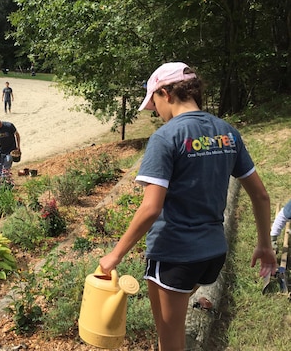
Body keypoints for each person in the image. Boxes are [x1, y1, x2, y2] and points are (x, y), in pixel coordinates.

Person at [99, 62, 277, 351]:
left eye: (154, 102)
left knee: (171, 344)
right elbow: (261, 196)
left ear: (166, 93)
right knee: (168, 334)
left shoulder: (166, 137)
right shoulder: (227, 132)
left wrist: (115, 256)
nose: (155, 112)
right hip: (212, 255)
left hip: (174, 254)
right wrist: (265, 245)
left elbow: (151, 208)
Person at [0, 117, 20, 187]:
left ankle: (6, 182)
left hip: (11, 149)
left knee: (7, 162)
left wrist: (18, 147)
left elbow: (17, 135)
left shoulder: (9, 126)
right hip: (1, 150)